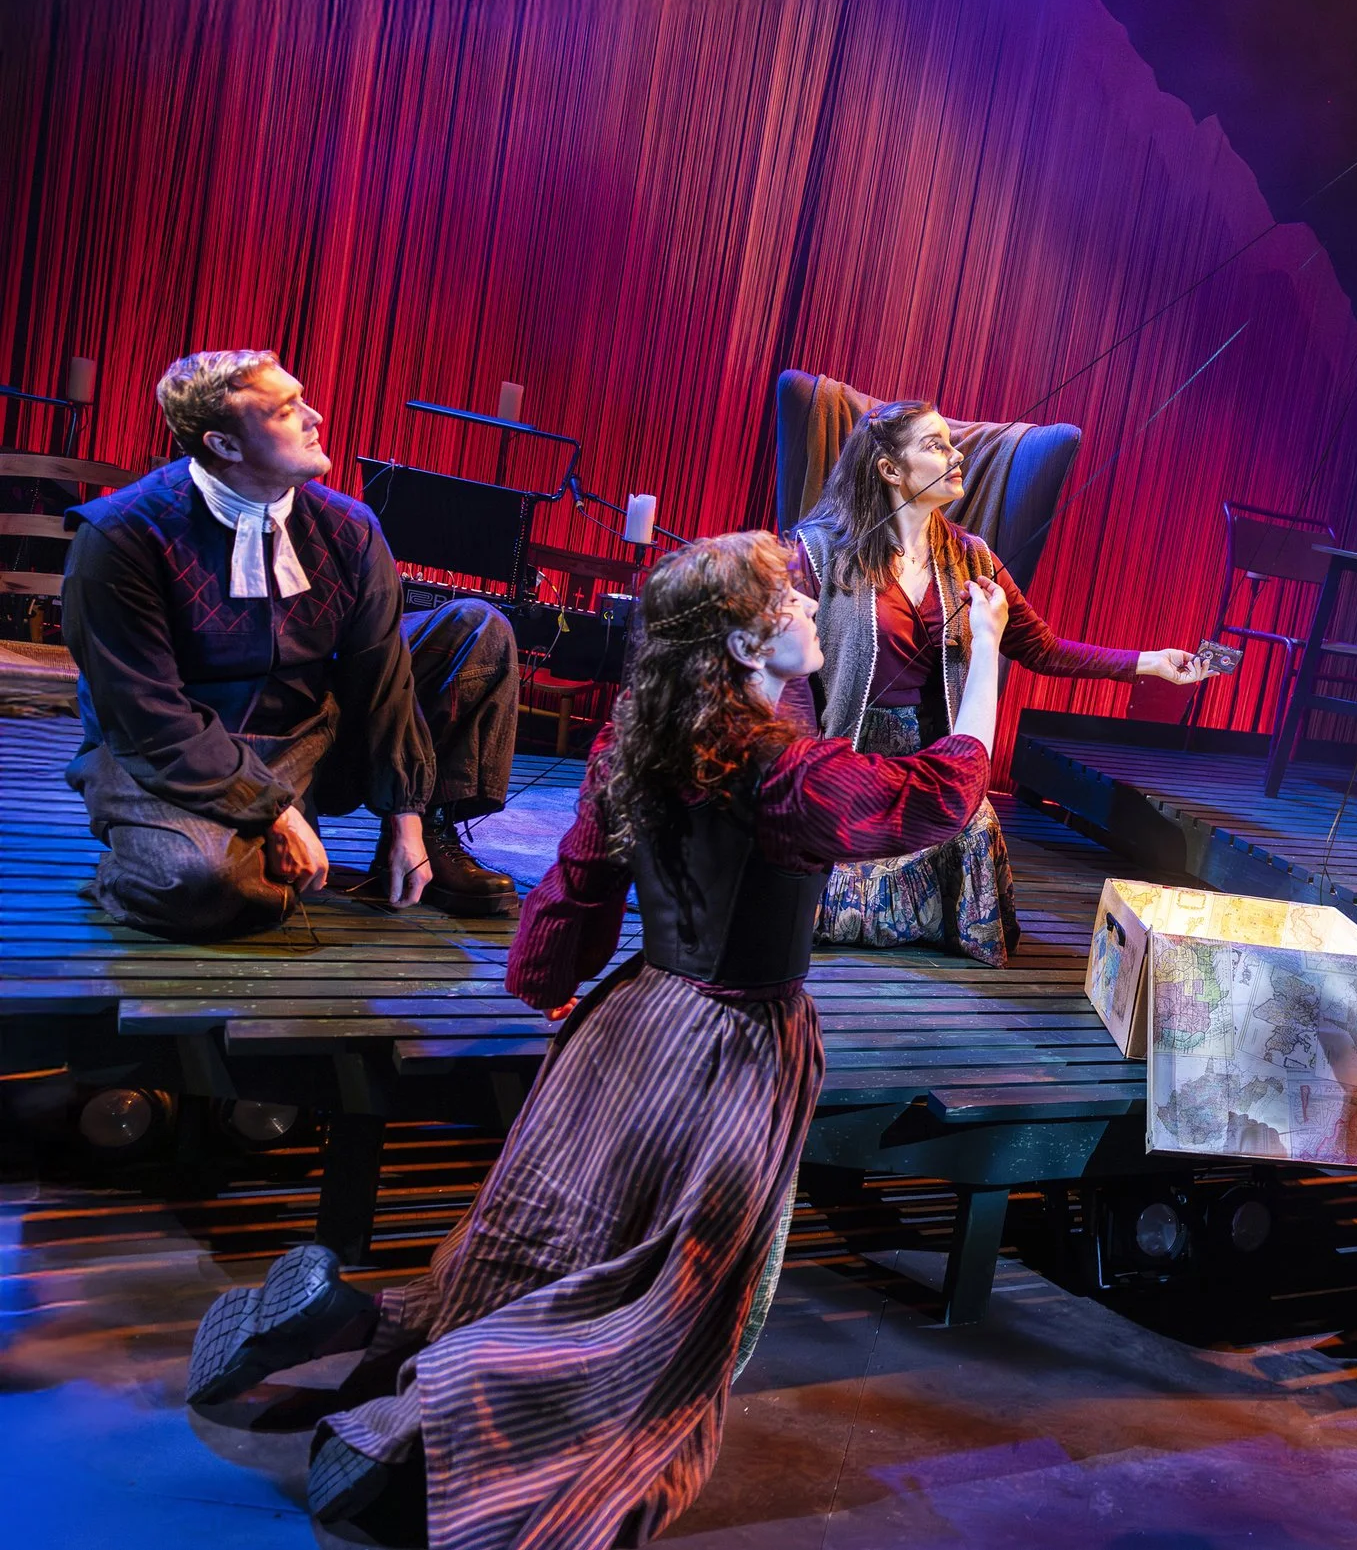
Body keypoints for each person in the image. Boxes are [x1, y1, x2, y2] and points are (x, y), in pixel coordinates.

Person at [183, 531, 1003, 1543]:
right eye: (790, 601)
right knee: (665, 1289)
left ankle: (362, 1321)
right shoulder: (784, 769)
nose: (810, 611)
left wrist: (551, 984)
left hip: (629, 1027)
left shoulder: (641, 733)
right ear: (746, 647)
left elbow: (578, 884)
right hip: (734, 1044)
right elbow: (935, 796)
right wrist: (987, 664)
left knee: (535, 1249)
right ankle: (431, 1414)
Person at [60, 350, 516, 937]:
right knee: (206, 887)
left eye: (302, 398)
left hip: (308, 734)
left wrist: (406, 813)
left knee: (475, 627)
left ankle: (430, 832)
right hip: (171, 750)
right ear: (224, 445)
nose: (315, 416)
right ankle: (148, 863)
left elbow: (382, 677)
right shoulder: (122, 537)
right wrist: (269, 809)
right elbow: (145, 717)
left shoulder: (349, 528)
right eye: (286, 410)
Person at [785, 399, 1204, 964]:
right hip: (850, 755)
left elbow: (1042, 648)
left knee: (974, 823)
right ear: (889, 469)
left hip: (930, 756)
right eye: (935, 446)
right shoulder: (818, 550)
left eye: (951, 444)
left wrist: (1148, 662)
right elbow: (779, 666)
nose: (956, 456)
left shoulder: (969, 557)